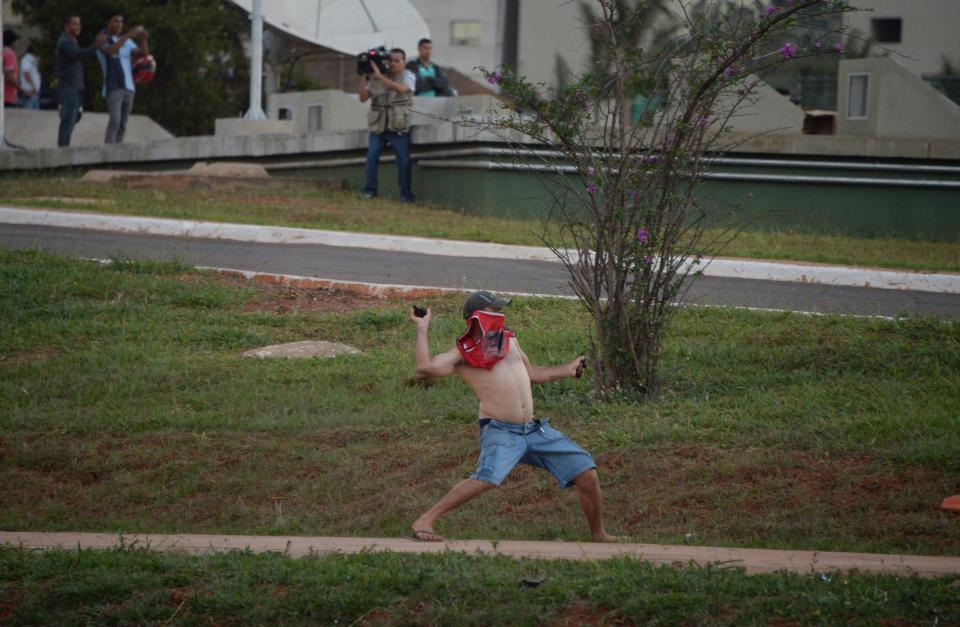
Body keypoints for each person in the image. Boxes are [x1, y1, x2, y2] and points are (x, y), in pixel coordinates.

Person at [407, 291, 616, 543]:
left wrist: (567, 370)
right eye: (495, 310)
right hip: (500, 430)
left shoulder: (509, 342)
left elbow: (531, 373)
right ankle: (425, 519)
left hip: (533, 430)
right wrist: (422, 327)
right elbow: (425, 367)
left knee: (586, 474)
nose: (501, 315)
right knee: (487, 478)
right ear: (476, 317)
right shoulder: (462, 354)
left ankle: (599, 535)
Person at [358, 47, 415, 202]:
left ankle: (406, 196)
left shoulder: (408, 76)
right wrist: (364, 75)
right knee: (372, 156)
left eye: (397, 61)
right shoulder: (377, 76)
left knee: (403, 162)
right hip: (379, 125)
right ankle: (370, 191)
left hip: (398, 126)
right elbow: (363, 98)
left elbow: (402, 89)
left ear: (404, 62)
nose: (393, 64)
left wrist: (379, 77)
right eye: (390, 60)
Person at [96, 12, 148, 144]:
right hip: (113, 86)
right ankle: (109, 154)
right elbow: (111, 51)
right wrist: (128, 35)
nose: (119, 24)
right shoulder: (102, 39)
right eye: (116, 21)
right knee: (115, 121)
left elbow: (143, 55)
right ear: (108, 23)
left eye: (121, 21)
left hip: (129, 87)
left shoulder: (127, 41)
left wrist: (144, 39)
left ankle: (118, 154)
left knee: (123, 124)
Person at [56, 16, 106, 147]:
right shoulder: (65, 42)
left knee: (73, 120)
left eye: (79, 24)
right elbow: (80, 55)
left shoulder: (72, 41)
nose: (78, 26)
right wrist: (97, 45)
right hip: (68, 87)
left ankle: (64, 150)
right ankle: (62, 153)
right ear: (66, 26)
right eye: (74, 24)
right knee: (68, 121)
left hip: (75, 87)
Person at [19, 43, 41, 110]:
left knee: (35, 114)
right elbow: (26, 74)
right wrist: (33, 86)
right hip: (29, 91)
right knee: (28, 112)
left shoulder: (33, 60)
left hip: (34, 91)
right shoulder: (26, 59)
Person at [3, 29, 19, 108]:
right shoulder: (10, 54)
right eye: (16, 41)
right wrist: (20, 88)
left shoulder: (2, 52)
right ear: (12, 42)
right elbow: (8, 75)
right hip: (8, 95)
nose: (17, 43)